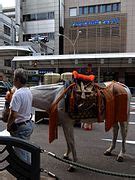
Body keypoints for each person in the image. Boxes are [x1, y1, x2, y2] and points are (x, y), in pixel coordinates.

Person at [7, 68, 34, 164]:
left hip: (20, 128)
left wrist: (8, 125)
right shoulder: (28, 91)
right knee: (25, 151)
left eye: (14, 78)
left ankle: (24, 174)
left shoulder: (17, 94)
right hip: (28, 124)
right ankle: (30, 172)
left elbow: (13, 114)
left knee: (20, 155)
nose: (13, 80)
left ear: (18, 79)